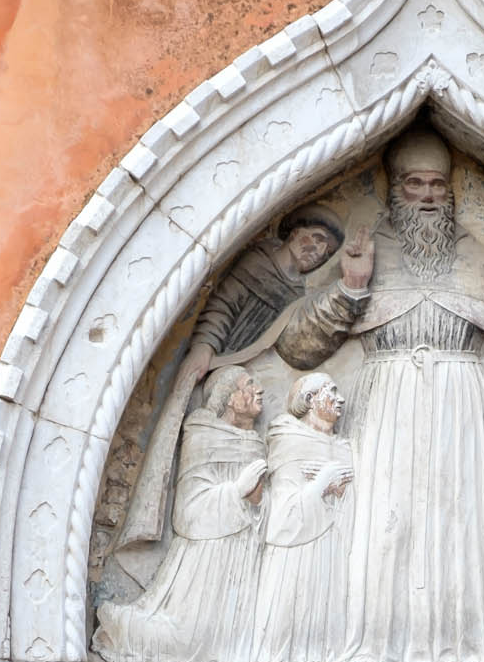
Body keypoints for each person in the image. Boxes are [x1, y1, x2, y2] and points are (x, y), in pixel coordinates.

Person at [258, 126, 484, 662]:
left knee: (462, 518)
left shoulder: (480, 260)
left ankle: (471, 645)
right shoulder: (366, 252)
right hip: (388, 402)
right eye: (415, 185)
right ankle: (379, 646)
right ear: (394, 191)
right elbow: (297, 347)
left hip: (466, 401)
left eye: (438, 185)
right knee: (387, 520)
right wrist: (351, 288)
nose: (429, 196)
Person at [115, 202, 361, 575]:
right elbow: (222, 307)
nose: (315, 250)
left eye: (324, 248)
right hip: (219, 369)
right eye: (311, 238)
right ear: (293, 234)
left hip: (248, 368)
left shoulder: (298, 289)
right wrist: (205, 349)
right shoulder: (256, 263)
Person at [92, 367, 267, 662]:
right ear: (230, 398)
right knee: (189, 640)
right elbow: (188, 511)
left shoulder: (256, 443)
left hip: (246, 555)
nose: (259, 390)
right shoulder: (203, 436)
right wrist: (236, 490)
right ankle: (121, 630)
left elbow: (262, 504)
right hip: (206, 561)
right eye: (250, 384)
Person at [253, 373, 355, 662]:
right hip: (294, 555)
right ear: (310, 400)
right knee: (284, 629)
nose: (341, 399)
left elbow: (353, 508)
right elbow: (282, 513)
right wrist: (321, 484)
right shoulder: (288, 440)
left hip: (333, 552)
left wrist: (339, 490)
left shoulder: (345, 446)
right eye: (331, 391)